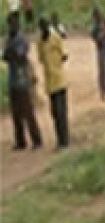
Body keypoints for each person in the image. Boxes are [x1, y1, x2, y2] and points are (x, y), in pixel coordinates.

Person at [3, 12, 42, 151]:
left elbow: (18, 56)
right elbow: (6, 56)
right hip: (13, 80)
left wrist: (10, 53)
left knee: (27, 111)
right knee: (16, 113)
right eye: (10, 23)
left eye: (14, 23)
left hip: (23, 80)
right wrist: (11, 53)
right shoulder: (10, 39)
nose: (12, 26)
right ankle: (20, 141)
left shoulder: (21, 39)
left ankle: (36, 140)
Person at [37, 16, 70, 150]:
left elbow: (64, 55)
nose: (44, 28)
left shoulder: (55, 38)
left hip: (60, 80)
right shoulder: (39, 41)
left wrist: (56, 63)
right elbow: (41, 58)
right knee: (55, 113)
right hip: (50, 83)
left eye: (46, 25)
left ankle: (64, 141)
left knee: (61, 112)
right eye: (42, 26)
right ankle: (60, 140)